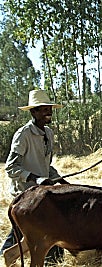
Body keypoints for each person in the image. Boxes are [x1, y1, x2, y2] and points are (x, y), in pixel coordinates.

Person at [0, 89, 68, 265]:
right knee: (23, 231)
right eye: (43, 108)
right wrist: (36, 179)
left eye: (49, 108)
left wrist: (60, 179)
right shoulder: (23, 135)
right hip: (24, 193)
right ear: (33, 112)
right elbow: (11, 167)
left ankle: (54, 259)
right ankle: (5, 257)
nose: (48, 111)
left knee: (48, 227)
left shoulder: (49, 134)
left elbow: (46, 166)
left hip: (43, 192)